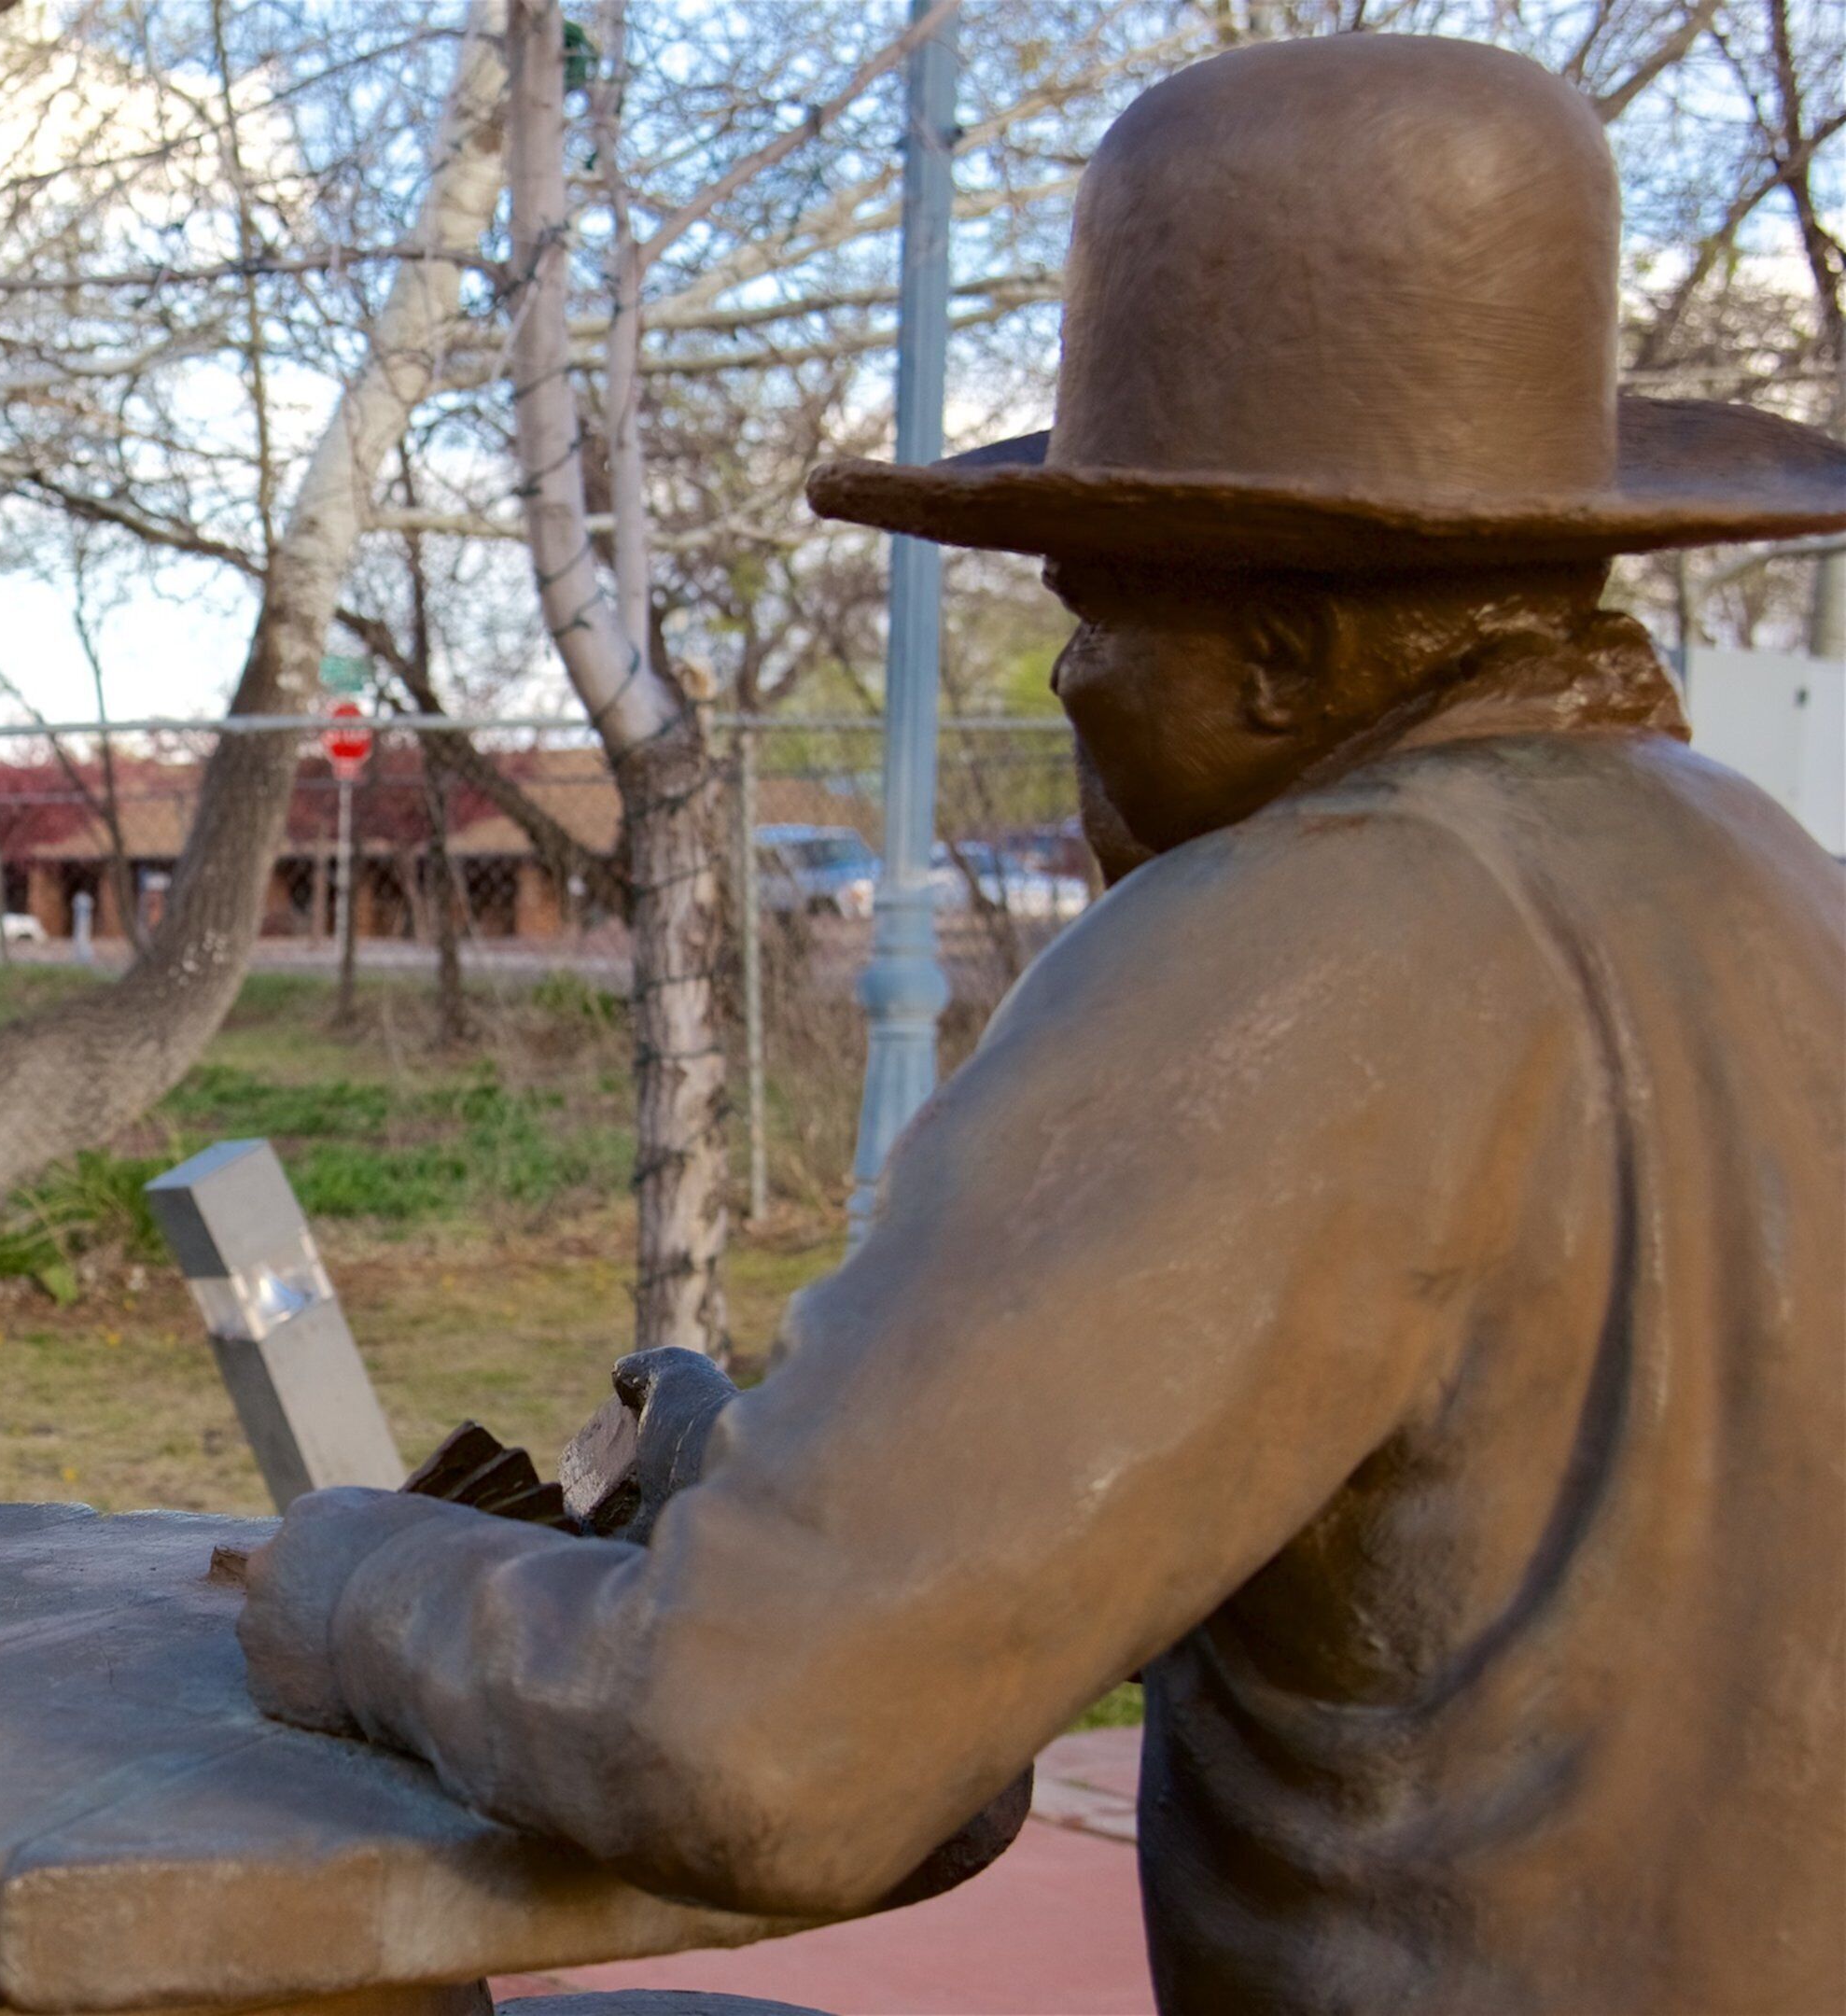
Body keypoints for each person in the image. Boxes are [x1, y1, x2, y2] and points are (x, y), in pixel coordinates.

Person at [236, 36, 1846, 2016]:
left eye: (1094, 622)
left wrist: (353, 1591)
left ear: (1283, 661)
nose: (1071, 687)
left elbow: (759, 1747)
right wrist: (768, 1468)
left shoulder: (1301, 937)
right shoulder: (1764, 878)